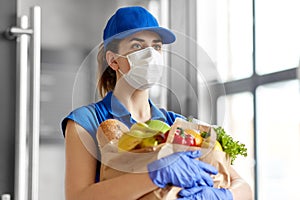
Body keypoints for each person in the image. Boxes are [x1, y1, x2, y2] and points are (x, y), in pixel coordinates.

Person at [61, 6, 253, 200]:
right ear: (113, 61)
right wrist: (154, 175)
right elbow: (77, 196)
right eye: (137, 46)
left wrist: (221, 196)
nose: (151, 55)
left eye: (157, 46)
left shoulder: (177, 124)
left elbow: (244, 189)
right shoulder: (86, 121)